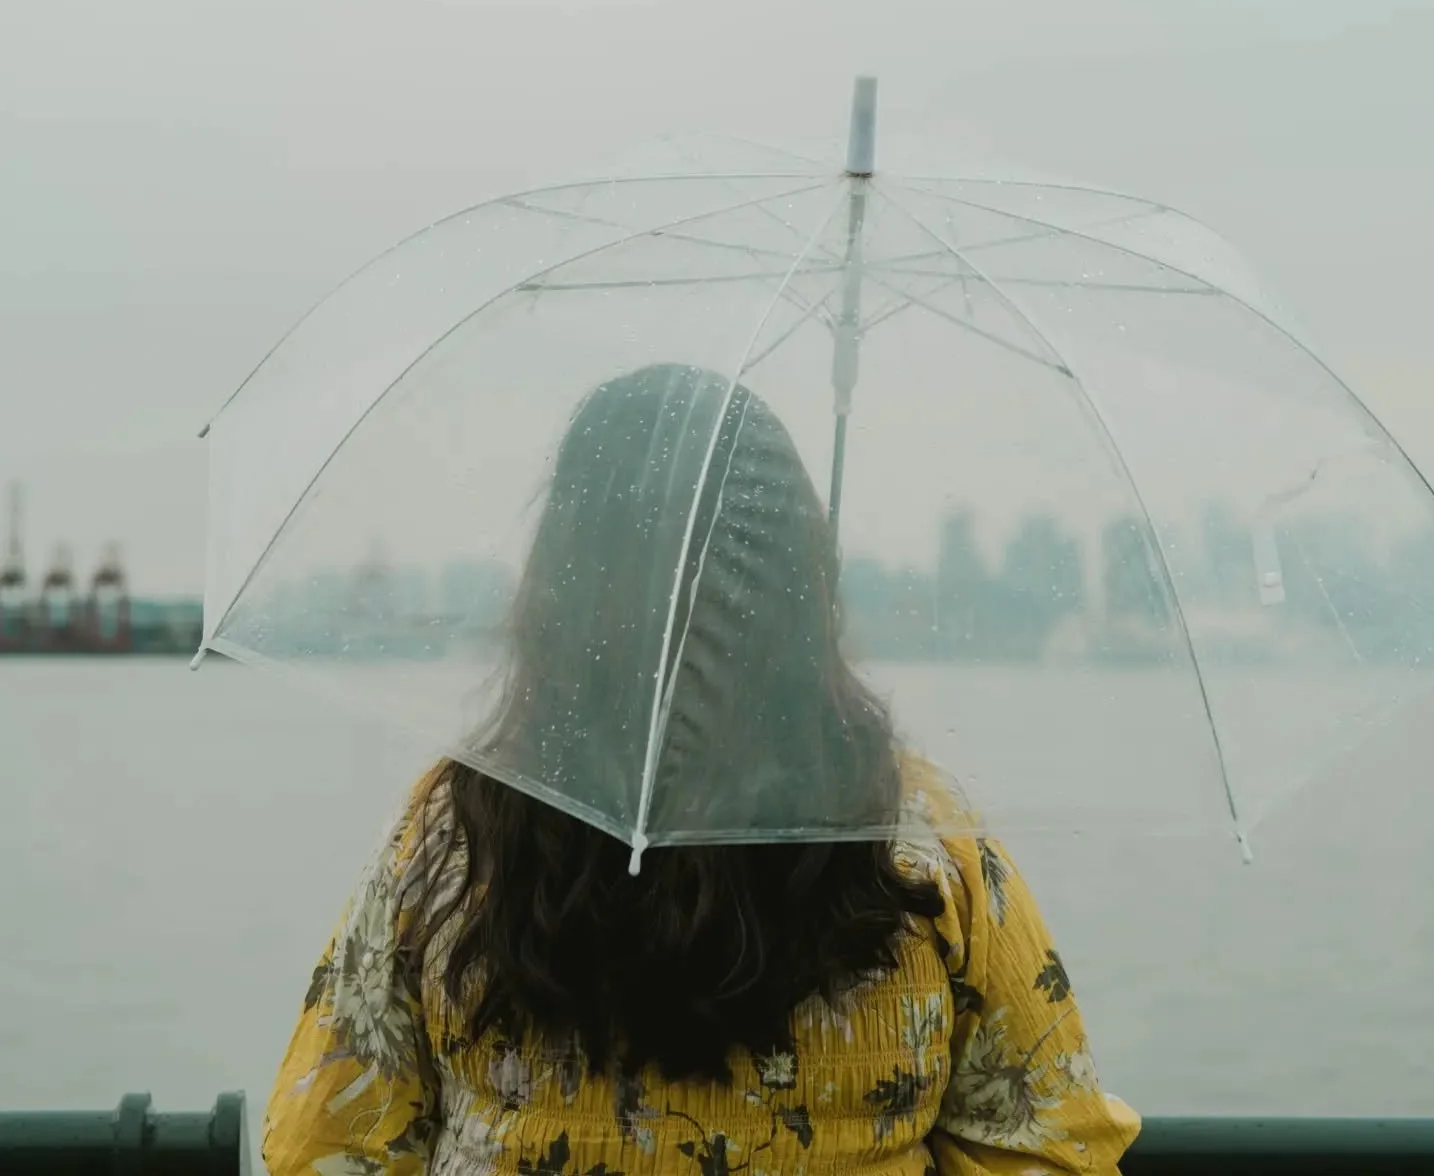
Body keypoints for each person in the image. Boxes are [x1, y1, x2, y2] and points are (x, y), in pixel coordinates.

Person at [262, 363, 1140, 1176]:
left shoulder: (456, 833)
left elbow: (328, 1138)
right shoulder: (917, 838)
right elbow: (1052, 1140)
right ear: (798, 577)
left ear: (564, 586)